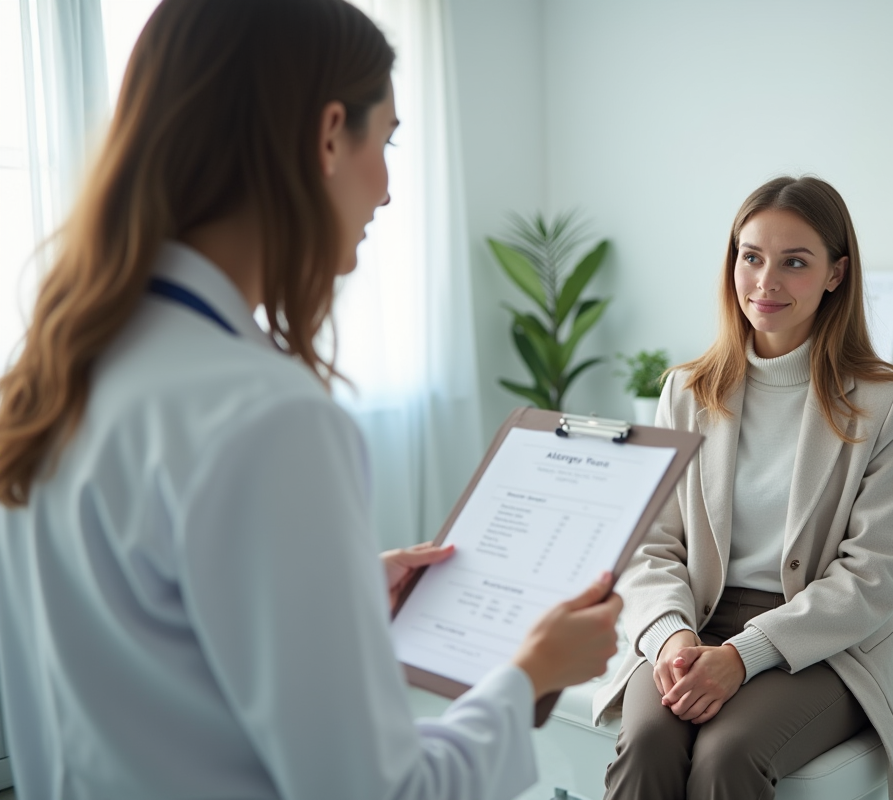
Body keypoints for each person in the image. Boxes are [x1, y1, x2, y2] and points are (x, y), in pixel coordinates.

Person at [0, 1, 621, 799]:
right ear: (329, 134)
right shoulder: (267, 416)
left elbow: (143, 635)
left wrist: (344, 585)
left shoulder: (50, 374)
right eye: (387, 140)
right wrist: (529, 675)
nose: (391, 192)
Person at [595, 176, 893, 800]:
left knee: (728, 756)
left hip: (819, 641)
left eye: (795, 263)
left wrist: (745, 655)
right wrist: (673, 636)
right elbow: (649, 545)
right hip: (692, 617)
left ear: (836, 274)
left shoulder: (886, 404)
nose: (765, 282)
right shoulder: (686, 390)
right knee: (647, 745)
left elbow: (873, 577)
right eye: (750, 257)